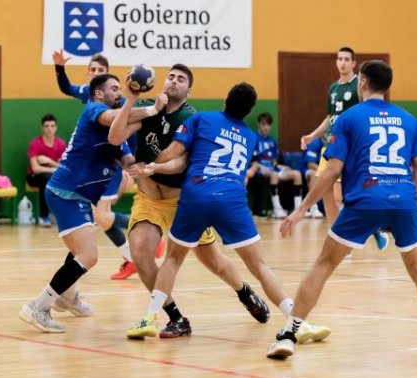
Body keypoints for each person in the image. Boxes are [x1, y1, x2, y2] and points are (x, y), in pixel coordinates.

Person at [266, 60, 417, 361]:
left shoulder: (348, 118)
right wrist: (408, 195)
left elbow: (331, 171)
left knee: (323, 264)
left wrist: (301, 209)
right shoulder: (410, 120)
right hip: (403, 201)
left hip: (365, 200)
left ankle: (289, 335)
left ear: (362, 82)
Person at [123, 82, 330, 344]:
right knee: (259, 265)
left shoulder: (201, 118)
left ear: (225, 100)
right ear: (248, 111)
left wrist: (151, 165)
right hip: (231, 199)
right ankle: (297, 322)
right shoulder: (250, 136)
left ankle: (149, 318)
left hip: (197, 194)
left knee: (173, 260)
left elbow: (175, 155)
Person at [109, 65, 285, 339]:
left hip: (182, 200)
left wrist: (152, 166)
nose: (174, 81)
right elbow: (115, 136)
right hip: (148, 199)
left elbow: (183, 162)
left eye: (181, 80)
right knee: (141, 253)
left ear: (188, 91)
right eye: (170, 77)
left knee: (212, 260)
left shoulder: (191, 117)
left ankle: (243, 290)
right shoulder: (148, 106)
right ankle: (175, 317)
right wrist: (132, 99)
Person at [18, 73, 160, 332]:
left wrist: (141, 169)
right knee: (88, 255)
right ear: (98, 94)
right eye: (114, 89)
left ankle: (67, 296)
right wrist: (149, 107)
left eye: (121, 89)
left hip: (79, 195)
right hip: (66, 192)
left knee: (78, 250)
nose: (119, 92)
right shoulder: (95, 109)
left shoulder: (119, 131)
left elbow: (127, 160)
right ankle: (38, 307)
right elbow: (113, 118)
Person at [51, 49, 162, 279]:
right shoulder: (90, 95)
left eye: (101, 71)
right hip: (97, 159)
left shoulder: (117, 99)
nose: (95, 73)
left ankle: (143, 242)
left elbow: (124, 126)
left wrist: (128, 160)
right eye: (92, 70)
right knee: (98, 219)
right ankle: (133, 254)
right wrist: (60, 68)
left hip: (115, 158)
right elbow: (66, 88)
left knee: (102, 217)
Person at [300, 47, 388, 251]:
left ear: (354, 63)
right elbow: (330, 118)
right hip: (329, 145)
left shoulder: (360, 87)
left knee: (342, 195)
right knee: (326, 192)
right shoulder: (333, 88)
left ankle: (373, 228)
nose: (342, 62)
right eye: (339, 59)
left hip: (349, 146)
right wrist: (313, 135)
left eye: (347, 59)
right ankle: (338, 241)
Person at [247, 112, 304, 219]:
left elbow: (274, 161)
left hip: (273, 169)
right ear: (259, 124)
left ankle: (298, 209)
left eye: (268, 124)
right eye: (263, 124)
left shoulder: (273, 141)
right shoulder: (254, 138)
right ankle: (277, 209)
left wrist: (280, 166)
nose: (266, 127)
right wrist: (261, 167)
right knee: (274, 175)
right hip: (260, 169)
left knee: (297, 174)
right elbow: (253, 161)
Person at [26, 114, 67, 227]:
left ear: (56, 128)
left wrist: (50, 161)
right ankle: (44, 216)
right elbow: (35, 168)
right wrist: (54, 169)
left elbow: (63, 166)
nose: (49, 129)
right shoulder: (35, 144)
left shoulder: (61, 144)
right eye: (47, 126)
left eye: (52, 126)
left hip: (54, 175)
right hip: (34, 177)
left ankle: (62, 215)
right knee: (46, 179)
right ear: (42, 128)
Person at [300, 137, 325, 218]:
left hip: (321, 171)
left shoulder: (332, 144)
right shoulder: (315, 143)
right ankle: (313, 207)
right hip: (306, 170)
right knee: (314, 174)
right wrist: (326, 173)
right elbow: (310, 164)